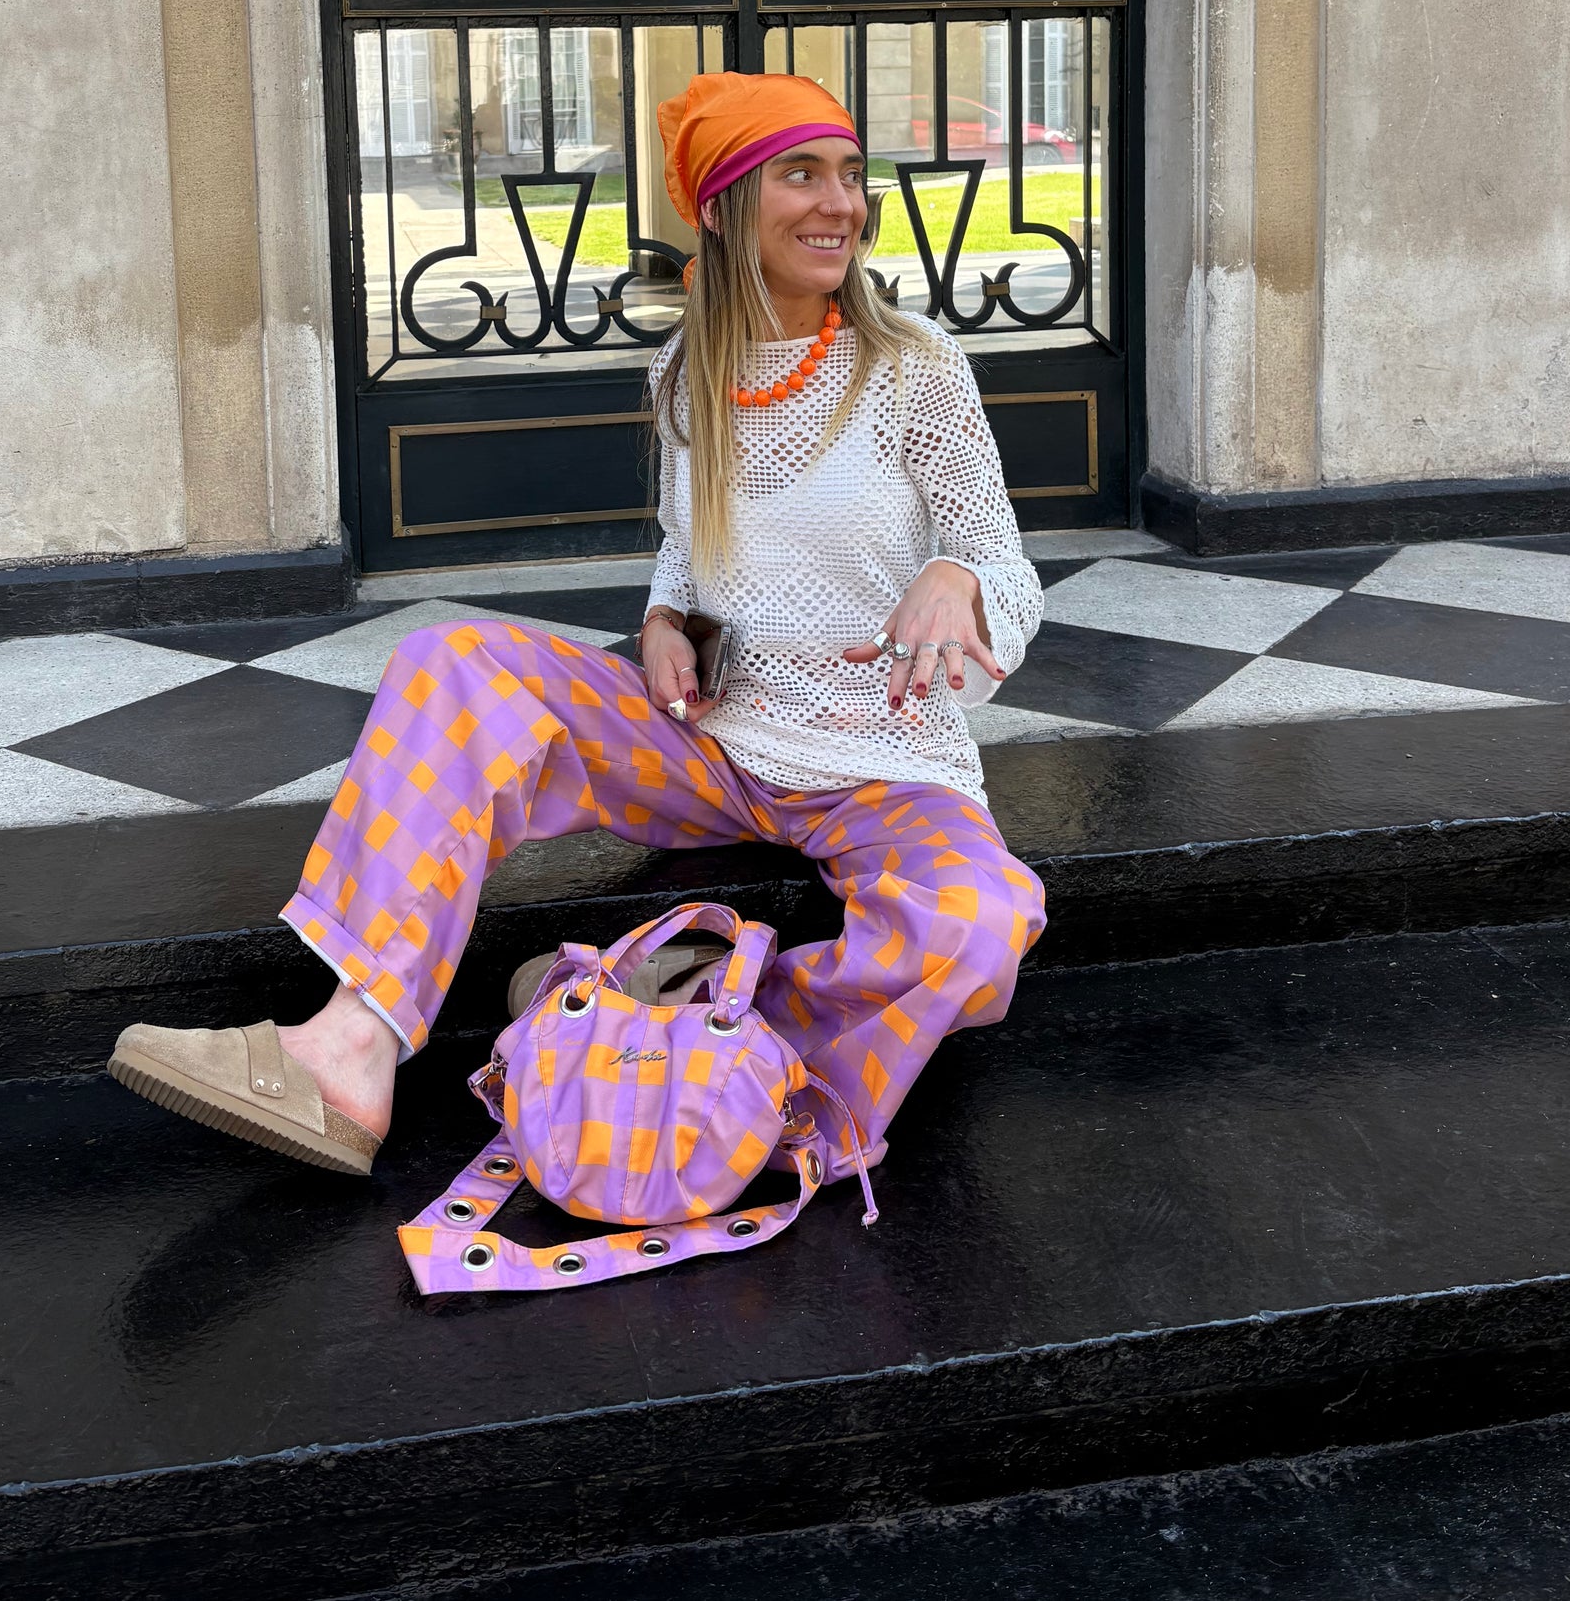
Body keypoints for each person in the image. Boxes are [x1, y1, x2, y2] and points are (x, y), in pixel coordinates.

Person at [110, 72, 1047, 1189]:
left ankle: (687, 1029)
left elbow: (1004, 565)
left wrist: (955, 575)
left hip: (885, 768)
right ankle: (348, 1049)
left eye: (849, 174)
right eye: (800, 174)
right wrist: (661, 619)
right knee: (452, 662)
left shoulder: (913, 368)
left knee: (981, 925)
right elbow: (689, 548)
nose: (839, 202)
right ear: (722, 207)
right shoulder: (685, 373)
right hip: (712, 747)